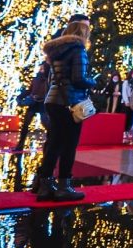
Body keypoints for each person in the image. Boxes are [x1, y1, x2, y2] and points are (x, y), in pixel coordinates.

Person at [37, 19, 95, 201]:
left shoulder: (56, 52)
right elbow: (79, 79)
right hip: (70, 102)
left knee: (54, 143)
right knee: (69, 145)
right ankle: (64, 186)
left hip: (53, 100)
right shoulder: (78, 50)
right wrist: (93, 81)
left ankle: (44, 187)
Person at [16, 62, 50, 151]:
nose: (40, 70)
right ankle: (20, 145)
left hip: (43, 103)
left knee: (46, 123)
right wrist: (20, 96)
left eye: (42, 68)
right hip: (34, 103)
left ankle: (50, 144)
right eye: (40, 68)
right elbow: (30, 90)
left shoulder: (49, 80)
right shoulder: (36, 79)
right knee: (26, 124)